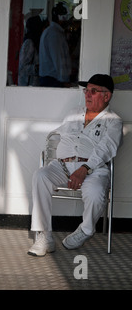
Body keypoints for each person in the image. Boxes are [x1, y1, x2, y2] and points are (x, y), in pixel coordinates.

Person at [28, 74, 123, 257]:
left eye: (93, 91)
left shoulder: (113, 120)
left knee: (95, 192)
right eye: (86, 90)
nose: (88, 94)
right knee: (40, 176)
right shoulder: (73, 112)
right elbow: (58, 134)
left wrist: (84, 169)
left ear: (106, 96)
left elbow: (107, 148)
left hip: (93, 170)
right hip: (63, 166)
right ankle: (44, 236)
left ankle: (86, 230)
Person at [39, 2, 72, 87]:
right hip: (53, 80)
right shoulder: (54, 34)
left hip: (53, 79)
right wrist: (64, 81)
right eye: (66, 17)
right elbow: (58, 59)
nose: (67, 20)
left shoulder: (53, 32)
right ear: (60, 17)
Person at [18, 15, 44, 86]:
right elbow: (22, 68)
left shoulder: (35, 42)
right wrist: (37, 67)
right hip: (27, 86)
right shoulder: (29, 43)